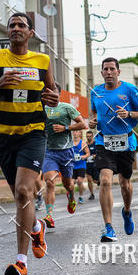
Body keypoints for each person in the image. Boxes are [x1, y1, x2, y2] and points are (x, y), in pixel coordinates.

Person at [0, 13, 58, 275]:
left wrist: (54, 97)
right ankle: (36, 228)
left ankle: (21, 262)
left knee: (23, 192)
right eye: (12, 25)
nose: (16, 28)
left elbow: (53, 93)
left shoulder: (42, 61)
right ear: (8, 32)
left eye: (21, 25)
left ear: (31, 33)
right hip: (4, 137)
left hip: (33, 133)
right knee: (21, 198)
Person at [89, 57, 138, 241]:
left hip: (126, 142)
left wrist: (129, 113)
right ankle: (108, 228)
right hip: (103, 142)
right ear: (102, 72)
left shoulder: (130, 90)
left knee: (125, 184)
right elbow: (94, 112)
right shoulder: (96, 92)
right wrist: (92, 121)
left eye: (112, 69)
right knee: (105, 180)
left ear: (118, 72)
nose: (108, 72)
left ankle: (127, 211)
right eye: (105, 69)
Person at [41, 85, 87, 229]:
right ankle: (49, 215)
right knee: (49, 182)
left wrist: (65, 128)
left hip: (66, 152)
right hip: (49, 152)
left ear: (58, 94)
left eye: (53, 92)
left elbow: (82, 124)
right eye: (47, 92)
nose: (50, 95)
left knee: (68, 184)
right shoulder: (41, 108)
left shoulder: (67, 107)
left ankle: (71, 196)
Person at [71, 129, 89, 202]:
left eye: (77, 131)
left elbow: (88, 153)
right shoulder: (70, 143)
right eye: (74, 131)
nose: (75, 133)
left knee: (79, 181)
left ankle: (81, 196)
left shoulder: (83, 143)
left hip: (81, 165)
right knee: (71, 183)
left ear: (80, 133)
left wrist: (82, 157)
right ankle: (72, 197)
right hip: (72, 165)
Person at [85, 129, 98, 199]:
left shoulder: (96, 144)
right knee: (89, 179)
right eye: (87, 136)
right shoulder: (85, 145)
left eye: (90, 136)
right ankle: (92, 194)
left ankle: (101, 184)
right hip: (88, 165)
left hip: (95, 165)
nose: (88, 138)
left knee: (95, 181)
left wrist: (95, 156)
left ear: (92, 136)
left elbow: (99, 153)